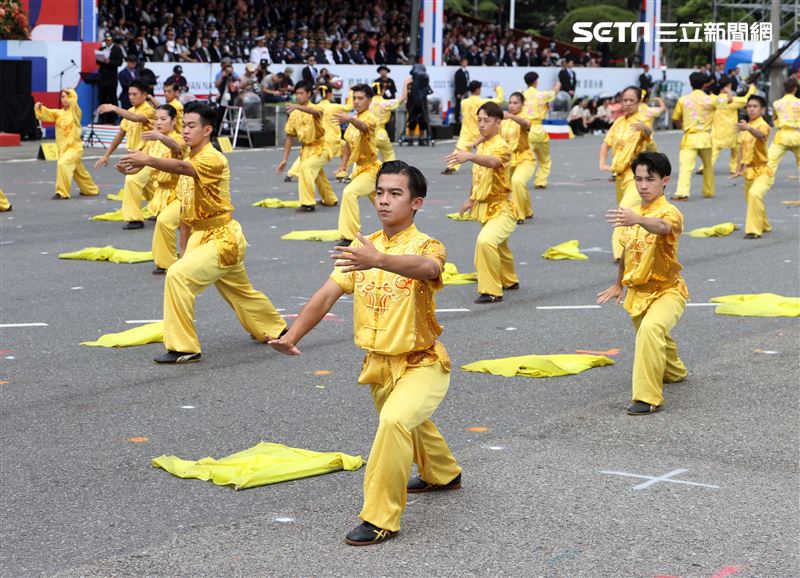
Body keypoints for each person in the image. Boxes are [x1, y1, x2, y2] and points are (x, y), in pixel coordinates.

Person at [269, 160, 462, 546]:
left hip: (422, 363)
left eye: (396, 193)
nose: (384, 201)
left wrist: (380, 261)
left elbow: (427, 268)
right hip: (378, 364)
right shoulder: (362, 248)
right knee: (409, 422)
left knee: (393, 423)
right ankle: (443, 472)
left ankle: (380, 518)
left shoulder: (428, 245)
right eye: (380, 192)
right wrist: (293, 335)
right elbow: (327, 294)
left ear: (417, 202)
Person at [118, 102, 287, 364]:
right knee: (239, 289)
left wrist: (148, 159)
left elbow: (184, 168)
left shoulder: (213, 158)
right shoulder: (189, 152)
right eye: (184, 125)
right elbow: (186, 208)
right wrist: (184, 248)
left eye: (191, 126)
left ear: (207, 130)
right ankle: (275, 328)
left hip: (222, 238)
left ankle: (184, 348)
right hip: (202, 236)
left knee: (176, 276)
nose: (185, 130)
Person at [597, 152, 688, 416]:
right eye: (638, 179)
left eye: (650, 179)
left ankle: (647, 398)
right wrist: (618, 284)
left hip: (668, 291)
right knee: (655, 338)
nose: (643, 185)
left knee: (650, 330)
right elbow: (627, 252)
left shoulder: (671, 213)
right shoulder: (632, 214)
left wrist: (638, 219)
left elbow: (661, 227)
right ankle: (676, 371)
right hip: (638, 292)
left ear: (665, 181)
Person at [448, 101, 518, 304]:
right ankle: (510, 280)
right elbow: (480, 177)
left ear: (498, 122)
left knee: (485, 241)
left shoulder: (501, 146)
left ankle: (491, 291)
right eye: (479, 120)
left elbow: (494, 163)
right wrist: (470, 199)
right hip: (485, 205)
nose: (481, 124)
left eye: (486, 120)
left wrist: (470, 156)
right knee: (500, 246)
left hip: (503, 207)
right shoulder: (484, 144)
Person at [598, 86, 654, 260]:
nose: (628, 104)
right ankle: (642, 245)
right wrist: (603, 163)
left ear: (639, 102)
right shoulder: (619, 122)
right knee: (634, 214)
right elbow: (606, 144)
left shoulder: (642, 120)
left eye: (632, 100)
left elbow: (649, 137)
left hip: (636, 174)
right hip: (619, 174)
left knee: (623, 211)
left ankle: (619, 254)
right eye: (625, 100)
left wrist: (646, 130)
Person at [95, 79, 157, 229]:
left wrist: (114, 108)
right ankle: (162, 208)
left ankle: (134, 219)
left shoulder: (149, 110)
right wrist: (106, 154)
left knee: (132, 181)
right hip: (133, 155)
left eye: (135, 94)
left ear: (145, 95)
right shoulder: (129, 111)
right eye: (129, 94)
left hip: (147, 154)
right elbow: (120, 134)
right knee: (152, 187)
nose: (131, 97)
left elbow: (137, 118)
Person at [276, 81, 339, 212]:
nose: (298, 96)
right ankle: (330, 199)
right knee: (317, 174)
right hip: (306, 149)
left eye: (301, 93)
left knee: (306, 168)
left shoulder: (317, 108)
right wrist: (284, 159)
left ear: (309, 94)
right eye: (296, 93)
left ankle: (308, 203)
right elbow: (289, 137)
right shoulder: (294, 113)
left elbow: (314, 112)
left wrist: (298, 107)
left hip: (321, 147)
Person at [139, 104, 187, 273]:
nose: (158, 122)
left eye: (163, 119)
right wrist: (128, 168)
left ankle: (167, 263)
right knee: (182, 226)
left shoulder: (179, 138)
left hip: (183, 192)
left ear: (174, 121)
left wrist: (160, 137)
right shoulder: (153, 142)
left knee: (165, 221)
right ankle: (176, 259)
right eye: (156, 119)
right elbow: (143, 161)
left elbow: (175, 147)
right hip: (162, 192)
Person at [335, 84, 381, 245]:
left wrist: (350, 119)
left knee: (349, 193)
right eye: (354, 98)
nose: (356, 101)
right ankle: (399, 228)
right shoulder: (353, 119)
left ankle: (350, 236)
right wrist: (343, 165)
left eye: (360, 98)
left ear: (370, 100)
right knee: (382, 204)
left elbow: (364, 128)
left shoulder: (370, 118)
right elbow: (347, 145)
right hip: (358, 168)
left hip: (371, 168)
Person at [34, 89, 100, 200]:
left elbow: (73, 101)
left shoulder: (75, 112)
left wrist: (69, 92)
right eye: (62, 97)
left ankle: (62, 192)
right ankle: (91, 189)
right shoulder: (58, 113)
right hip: (63, 149)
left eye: (67, 97)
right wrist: (39, 107)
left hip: (74, 148)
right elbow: (46, 114)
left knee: (63, 164)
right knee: (79, 172)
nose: (64, 99)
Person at [670, 72, 726, 200]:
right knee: (708, 166)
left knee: (685, 167)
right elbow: (726, 100)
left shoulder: (683, 100)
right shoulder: (710, 99)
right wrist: (723, 90)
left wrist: (683, 127)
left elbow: (675, 118)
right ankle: (708, 191)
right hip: (705, 137)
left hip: (690, 137)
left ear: (690, 83)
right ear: (705, 84)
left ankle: (682, 192)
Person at [442, 80, 503, 174]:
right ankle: (484, 168)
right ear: (478, 89)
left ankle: (451, 166)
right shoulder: (482, 101)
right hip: (479, 131)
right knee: (484, 151)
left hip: (466, 131)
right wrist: (498, 89)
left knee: (459, 150)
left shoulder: (464, 102)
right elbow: (499, 100)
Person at [733, 95, 772, 239]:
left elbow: (760, 135)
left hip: (763, 171)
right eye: (749, 106)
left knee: (755, 194)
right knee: (752, 200)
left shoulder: (763, 125)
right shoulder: (745, 127)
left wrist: (748, 128)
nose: (751, 109)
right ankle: (765, 224)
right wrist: (738, 169)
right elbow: (741, 151)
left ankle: (753, 231)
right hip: (749, 171)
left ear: (762, 110)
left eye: (755, 106)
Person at [697, 81, 756, 176]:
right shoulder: (733, 100)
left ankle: (704, 167)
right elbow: (747, 99)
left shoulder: (714, 99)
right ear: (728, 87)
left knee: (713, 151)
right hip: (732, 130)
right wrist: (752, 88)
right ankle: (734, 168)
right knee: (736, 150)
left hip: (717, 130)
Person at [500, 92, 535, 223]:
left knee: (517, 181)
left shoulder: (525, 116)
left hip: (525, 157)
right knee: (514, 186)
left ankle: (518, 214)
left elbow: (526, 125)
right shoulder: (503, 120)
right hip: (508, 159)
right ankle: (527, 210)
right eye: (510, 102)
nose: (512, 105)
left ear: (522, 104)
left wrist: (511, 117)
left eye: (515, 103)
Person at [522, 72, 560, 189]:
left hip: (525, 129)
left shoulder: (521, 95)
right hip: (539, 129)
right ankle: (540, 181)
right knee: (545, 159)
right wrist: (558, 82)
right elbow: (555, 91)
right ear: (535, 81)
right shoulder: (541, 95)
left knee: (524, 159)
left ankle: (520, 180)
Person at [767, 77, 800, 183]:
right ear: (795, 89)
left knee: (771, 160)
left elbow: (774, 119)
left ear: (784, 89)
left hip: (782, 135)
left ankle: (766, 181)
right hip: (797, 134)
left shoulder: (777, 103)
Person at [370, 78, 410, 162]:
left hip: (368, 134)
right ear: (383, 90)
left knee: (365, 158)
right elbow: (403, 98)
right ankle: (390, 173)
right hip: (381, 133)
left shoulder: (367, 103)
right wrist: (406, 83)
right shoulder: (384, 103)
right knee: (389, 156)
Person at [96, 34, 125, 124]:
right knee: (102, 98)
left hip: (111, 78)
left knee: (112, 98)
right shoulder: (102, 49)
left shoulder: (117, 49)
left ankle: (114, 118)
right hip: (102, 78)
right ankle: (101, 118)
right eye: (106, 40)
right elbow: (97, 61)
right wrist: (101, 59)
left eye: (109, 40)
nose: (107, 41)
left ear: (112, 40)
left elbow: (119, 62)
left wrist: (110, 62)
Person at [453, 58, 470, 123]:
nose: (465, 63)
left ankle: (465, 118)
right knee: (458, 105)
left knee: (465, 105)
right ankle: (457, 119)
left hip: (466, 91)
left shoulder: (466, 72)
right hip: (460, 92)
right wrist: (458, 93)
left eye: (466, 62)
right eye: (464, 62)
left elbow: (467, 81)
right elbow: (457, 83)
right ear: (461, 63)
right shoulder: (458, 72)